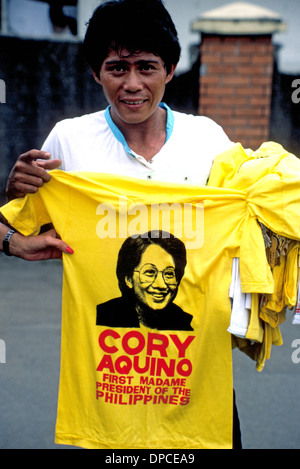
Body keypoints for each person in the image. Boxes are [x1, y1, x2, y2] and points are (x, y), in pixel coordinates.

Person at [1, 0, 242, 449]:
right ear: (97, 73)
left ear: (170, 70)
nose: (132, 84)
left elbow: (256, 216)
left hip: (196, 379)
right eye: (117, 68)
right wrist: (14, 231)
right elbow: (11, 221)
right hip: (107, 390)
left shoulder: (208, 140)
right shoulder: (68, 141)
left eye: (147, 67)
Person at [96, 230, 194, 330]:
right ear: (128, 279)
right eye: (150, 272)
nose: (161, 285)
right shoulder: (103, 316)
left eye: (169, 273)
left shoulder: (184, 323)